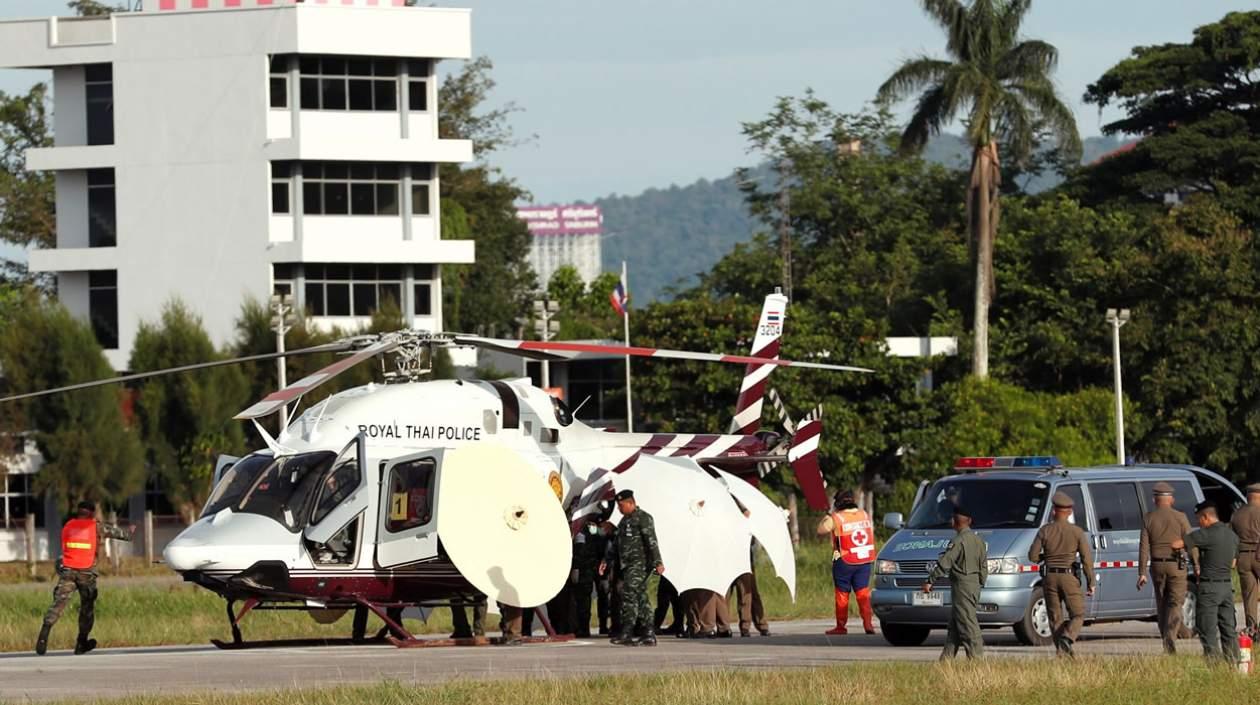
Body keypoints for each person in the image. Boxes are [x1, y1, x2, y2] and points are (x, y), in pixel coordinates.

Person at [36, 501, 134, 656]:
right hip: (86, 572)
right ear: (92, 513)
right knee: (86, 608)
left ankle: (44, 633)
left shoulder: (68, 526)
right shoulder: (95, 526)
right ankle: (81, 643)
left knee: (59, 603)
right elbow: (124, 535)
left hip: (67, 569)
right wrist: (131, 530)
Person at [1173, 501, 1242, 664]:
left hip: (1209, 588)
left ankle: (1214, 665)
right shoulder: (1232, 536)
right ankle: (1234, 664)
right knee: (1228, 629)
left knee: (1207, 628)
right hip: (1227, 588)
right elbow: (1233, 564)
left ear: (1206, 517)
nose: (1199, 523)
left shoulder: (1206, 534)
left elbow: (1177, 544)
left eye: (1199, 519)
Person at [1028, 491, 1095, 657]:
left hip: (1049, 577)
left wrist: (1046, 557)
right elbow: (1087, 559)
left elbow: (1032, 556)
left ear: (1053, 511)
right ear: (1070, 512)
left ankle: (1061, 653)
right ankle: (1067, 638)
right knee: (1078, 614)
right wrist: (1091, 581)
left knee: (1055, 617)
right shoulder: (1077, 532)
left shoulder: (1045, 530)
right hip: (1068, 577)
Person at [599, 489, 664, 646]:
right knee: (640, 597)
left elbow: (651, 541)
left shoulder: (643, 518)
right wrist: (606, 560)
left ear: (630, 503)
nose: (619, 509)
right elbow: (616, 544)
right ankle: (648, 632)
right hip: (626, 566)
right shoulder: (624, 521)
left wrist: (658, 561)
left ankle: (627, 632)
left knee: (628, 596)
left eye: (621, 506)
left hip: (639, 565)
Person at [922, 505, 987, 659]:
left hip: (962, 586)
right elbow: (984, 566)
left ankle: (977, 660)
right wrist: (979, 584)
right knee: (955, 626)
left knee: (967, 624)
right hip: (974, 586)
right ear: (969, 521)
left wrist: (930, 580)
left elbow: (946, 561)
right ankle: (946, 661)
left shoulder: (958, 541)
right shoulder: (979, 541)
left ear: (954, 521)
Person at [1136, 481, 1191, 653]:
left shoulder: (1148, 518)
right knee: (1175, 602)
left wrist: (1142, 572)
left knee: (1162, 603)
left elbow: (1144, 546)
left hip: (1157, 566)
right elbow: (1191, 541)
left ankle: (1166, 635)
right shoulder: (1180, 517)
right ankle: (1170, 637)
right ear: (1171, 499)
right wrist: (1196, 563)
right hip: (1177, 565)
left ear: (1155, 499)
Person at [815, 490, 875, 635]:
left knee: (842, 594)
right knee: (863, 593)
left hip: (844, 560)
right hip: (864, 560)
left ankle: (841, 626)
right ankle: (868, 624)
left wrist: (828, 515)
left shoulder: (836, 518)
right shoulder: (864, 514)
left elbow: (820, 530)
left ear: (837, 503)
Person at [571, 514, 608, 638]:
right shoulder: (581, 528)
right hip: (585, 567)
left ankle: (603, 626)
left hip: (598, 566)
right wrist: (576, 567)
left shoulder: (601, 525)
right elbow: (578, 549)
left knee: (602, 596)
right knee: (584, 599)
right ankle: (584, 628)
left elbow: (606, 548)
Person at [1231, 484, 1260, 636]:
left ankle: (1252, 630)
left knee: (1249, 596)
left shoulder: (1237, 514)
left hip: (1243, 557)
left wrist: (1234, 558)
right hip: (1258, 554)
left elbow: (1233, 539)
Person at [732, 538, 770, 637]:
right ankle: (723, 626)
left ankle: (755, 625)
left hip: (745, 560)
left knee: (748, 593)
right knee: (726, 595)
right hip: (730, 558)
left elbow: (752, 540)